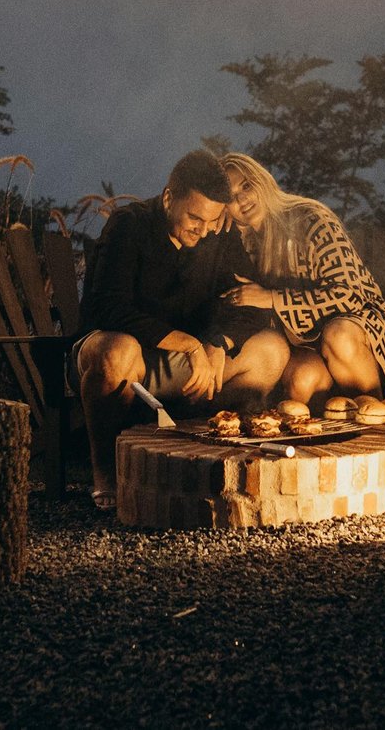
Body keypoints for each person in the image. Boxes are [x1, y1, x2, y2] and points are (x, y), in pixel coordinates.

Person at [74, 150, 288, 510]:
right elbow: (110, 309)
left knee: (272, 350)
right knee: (118, 352)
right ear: (169, 197)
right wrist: (189, 344)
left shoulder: (217, 234)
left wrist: (218, 342)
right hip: (123, 359)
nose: (202, 230)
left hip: (187, 370)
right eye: (194, 218)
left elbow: (248, 306)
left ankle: (197, 449)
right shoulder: (130, 225)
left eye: (212, 220)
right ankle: (107, 474)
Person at [217, 153, 385, 407]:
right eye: (229, 197)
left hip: (360, 328)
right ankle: (328, 439)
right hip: (303, 341)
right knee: (303, 378)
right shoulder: (244, 243)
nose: (241, 199)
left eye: (246, 185)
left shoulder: (311, 219)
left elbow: (350, 294)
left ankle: (380, 419)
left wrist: (272, 298)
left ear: (262, 180)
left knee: (338, 336)